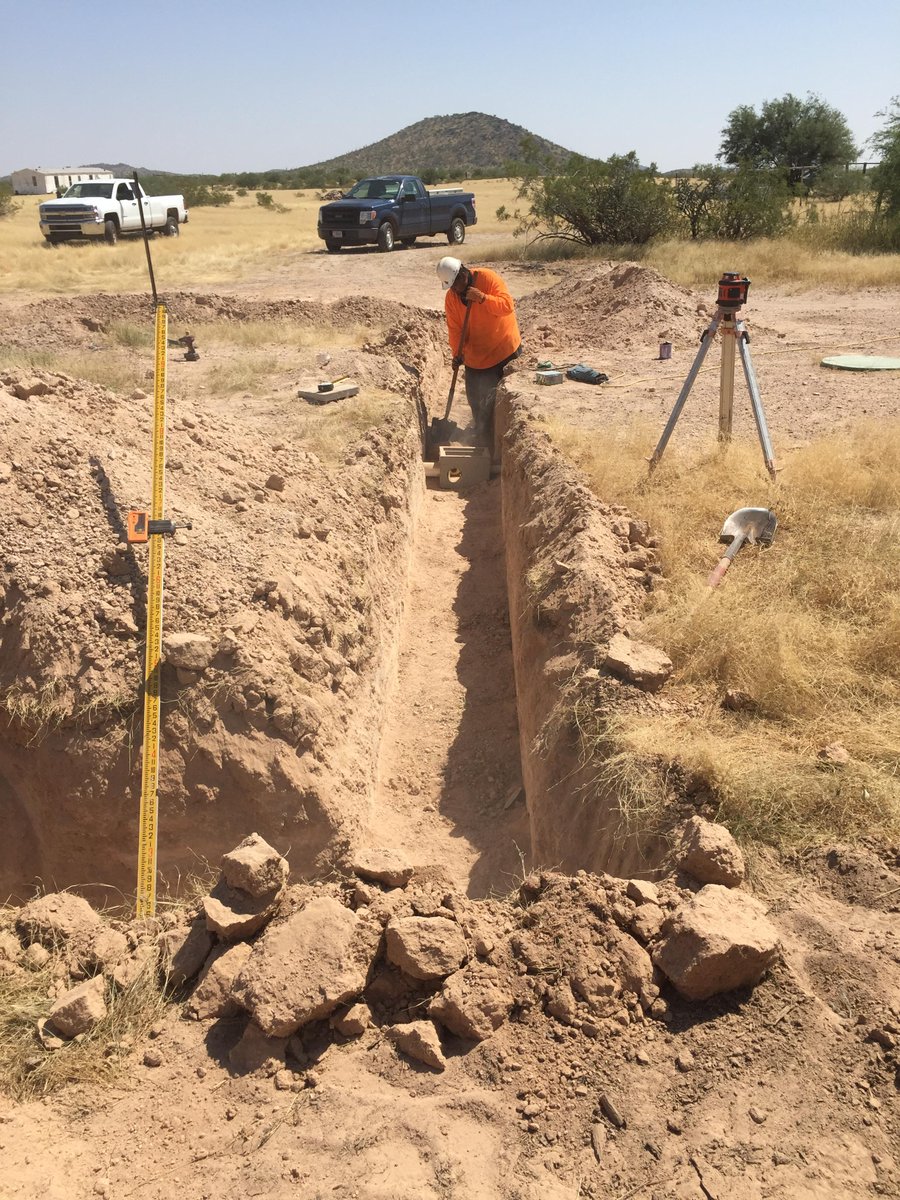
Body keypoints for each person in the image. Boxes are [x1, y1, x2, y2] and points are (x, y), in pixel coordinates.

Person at [436, 255, 522, 445]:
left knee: (503, 402)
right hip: (477, 357)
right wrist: (458, 354)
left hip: (504, 350)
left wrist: (483, 298)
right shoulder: (452, 298)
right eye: (452, 287)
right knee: (476, 401)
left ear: (463, 274)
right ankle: (483, 439)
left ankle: (502, 443)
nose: (457, 290)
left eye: (458, 284)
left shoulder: (488, 278)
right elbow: (455, 329)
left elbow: (507, 306)